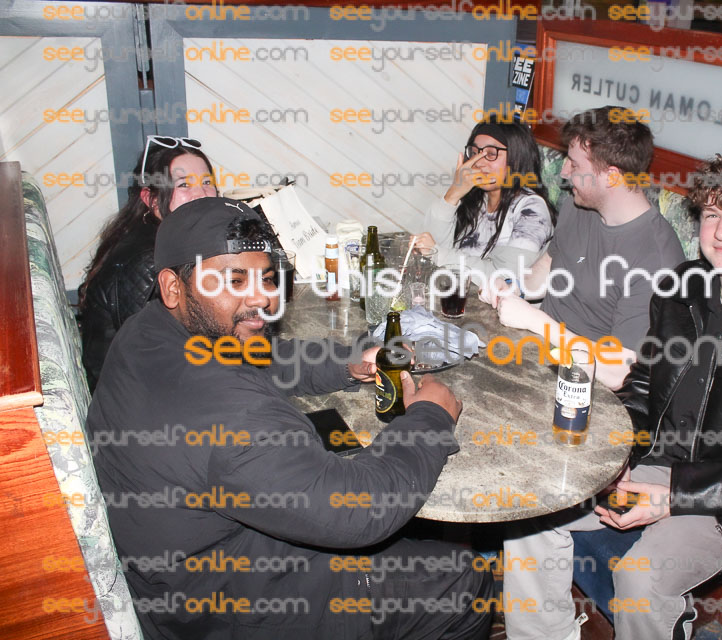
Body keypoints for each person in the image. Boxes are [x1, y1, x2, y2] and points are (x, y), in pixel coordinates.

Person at [87, 197, 492, 640]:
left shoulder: (147, 331)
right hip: (237, 611)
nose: (263, 298)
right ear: (172, 286)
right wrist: (431, 417)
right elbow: (361, 511)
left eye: (265, 277)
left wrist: (349, 362)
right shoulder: (231, 416)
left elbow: (261, 354)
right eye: (234, 280)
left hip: (191, 572)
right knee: (461, 581)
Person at [502, 149, 722, 640]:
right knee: (533, 507)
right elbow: (643, 388)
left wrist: (674, 497)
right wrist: (620, 457)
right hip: (658, 463)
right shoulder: (680, 288)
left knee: (640, 580)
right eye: (712, 214)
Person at [481, 106, 685, 389]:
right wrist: (514, 287)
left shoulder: (656, 258)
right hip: (533, 353)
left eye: (574, 165)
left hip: (584, 382)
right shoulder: (579, 206)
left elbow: (620, 371)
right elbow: (549, 265)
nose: (564, 172)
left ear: (611, 176)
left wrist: (535, 321)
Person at [79, 136, 217, 390]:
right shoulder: (148, 262)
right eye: (184, 185)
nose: (201, 194)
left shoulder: (170, 238)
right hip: (131, 396)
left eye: (207, 182)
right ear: (151, 199)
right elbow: (153, 360)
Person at [413, 120, 556, 285]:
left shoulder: (532, 210)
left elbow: (504, 279)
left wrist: (439, 254)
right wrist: (453, 195)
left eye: (491, 154)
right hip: (459, 294)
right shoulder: (476, 198)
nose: (479, 162)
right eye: (475, 152)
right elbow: (432, 253)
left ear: (517, 158)